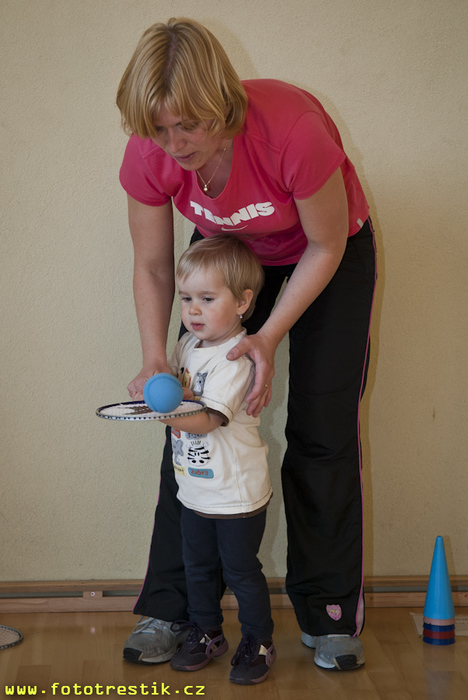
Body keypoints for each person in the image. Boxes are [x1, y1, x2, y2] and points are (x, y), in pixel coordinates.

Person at [116, 17, 376, 672]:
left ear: (221, 103)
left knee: (322, 428)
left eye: (188, 126)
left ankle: (328, 610)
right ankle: (173, 608)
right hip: (229, 260)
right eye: (159, 129)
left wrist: (267, 334)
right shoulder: (150, 152)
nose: (173, 144)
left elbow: (326, 245)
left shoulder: (291, 130)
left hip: (325, 255)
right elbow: (153, 266)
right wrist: (155, 357)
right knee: (186, 419)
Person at [156, 234, 275, 685]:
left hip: (236, 495)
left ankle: (259, 641)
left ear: (243, 302)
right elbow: (175, 385)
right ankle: (206, 632)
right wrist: (155, 383)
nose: (193, 310)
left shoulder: (236, 358)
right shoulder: (189, 345)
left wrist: (159, 412)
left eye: (207, 299)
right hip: (196, 490)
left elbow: (206, 420)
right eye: (186, 298)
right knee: (198, 568)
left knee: (242, 572)